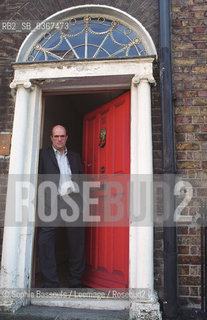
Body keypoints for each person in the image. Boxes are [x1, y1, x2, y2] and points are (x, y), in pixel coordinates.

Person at [38, 125, 85, 288]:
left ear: (66, 137)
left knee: (76, 241)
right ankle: (50, 281)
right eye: (56, 136)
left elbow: (81, 179)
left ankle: (75, 280)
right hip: (51, 201)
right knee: (46, 240)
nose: (59, 139)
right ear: (51, 137)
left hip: (72, 201)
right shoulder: (42, 155)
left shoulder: (74, 156)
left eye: (62, 136)